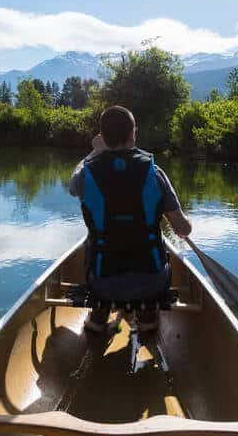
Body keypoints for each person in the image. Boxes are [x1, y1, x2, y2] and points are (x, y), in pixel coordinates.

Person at [69, 105, 192, 334]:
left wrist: (94, 152)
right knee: (159, 246)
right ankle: (148, 319)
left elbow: (72, 187)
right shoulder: (154, 173)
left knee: (91, 243)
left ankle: (98, 317)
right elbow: (184, 228)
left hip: (102, 282)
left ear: (102, 137)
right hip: (151, 283)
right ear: (133, 133)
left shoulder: (86, 174)